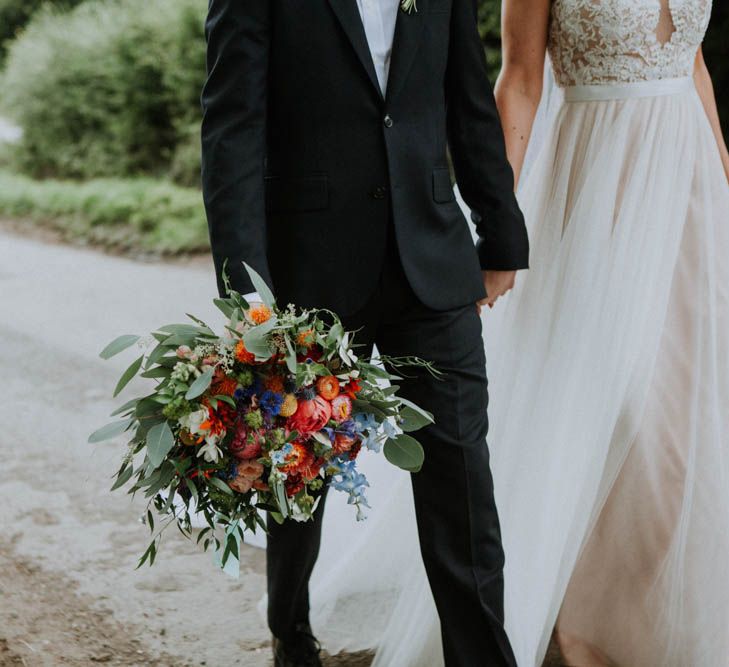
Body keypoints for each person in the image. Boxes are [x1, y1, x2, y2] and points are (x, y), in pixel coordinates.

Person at [323, 0, 729, 665]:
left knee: (689, 419)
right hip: (598, 193)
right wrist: (492, 229)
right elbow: (518, 80)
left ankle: (666, 623)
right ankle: (581, 626)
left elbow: (694, 65)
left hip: (687, 197)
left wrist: (719, 184)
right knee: (620, 408)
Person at [199, 1, 530, 666]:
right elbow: (233, 128)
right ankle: (290, 630)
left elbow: (467, 100)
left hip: (430, 264)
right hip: (308, 274)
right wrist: (249, 296)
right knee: (299, 472)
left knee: (460, 472)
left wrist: (500, 234)